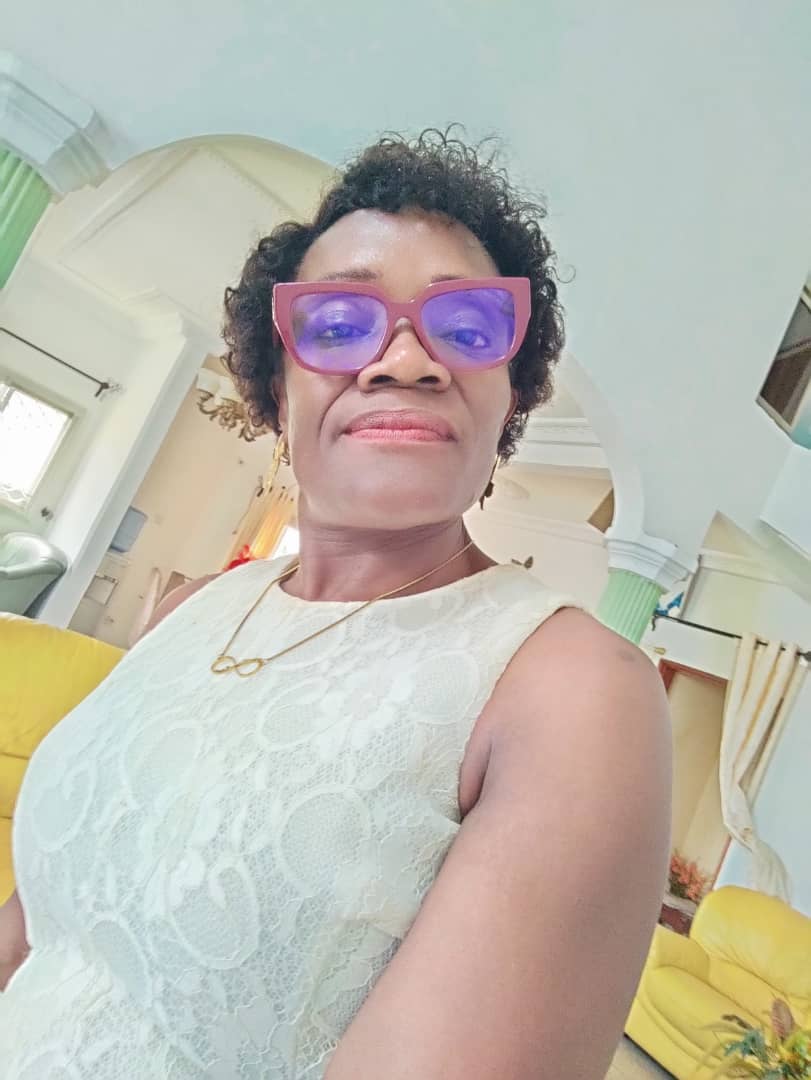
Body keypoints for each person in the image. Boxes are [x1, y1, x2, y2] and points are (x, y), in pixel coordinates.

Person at [0, 129, 671, 1079]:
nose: (405, 360)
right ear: (278, 388)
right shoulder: (191, 607)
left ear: (510, 398)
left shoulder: (570, 692)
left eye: (466, 328)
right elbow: (36, 928)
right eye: (338, 322)